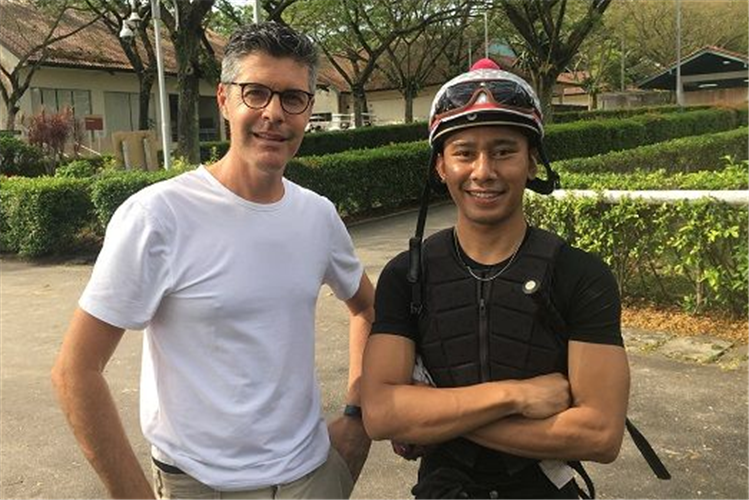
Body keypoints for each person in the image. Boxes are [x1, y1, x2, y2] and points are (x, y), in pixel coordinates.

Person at [52, 21, 373, 500]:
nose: (273, 113)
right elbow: (75, 371)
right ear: (224, 100)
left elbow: (367, 308)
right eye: (256, 92)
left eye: (293, 98)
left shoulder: (316, 216)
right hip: (201, 488)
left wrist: (357, 417)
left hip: (311, 478)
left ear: (308, 108)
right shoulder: (157, 216)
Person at [360, 58, 630, 500]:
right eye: (464, 152)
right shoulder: (407, 276)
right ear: (441, 166)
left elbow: (600, 434)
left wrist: (437, 418)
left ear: (532, 163)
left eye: (504, 150)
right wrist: (515, 396)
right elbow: (381, 415)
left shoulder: (581, 276)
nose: (483, 171)